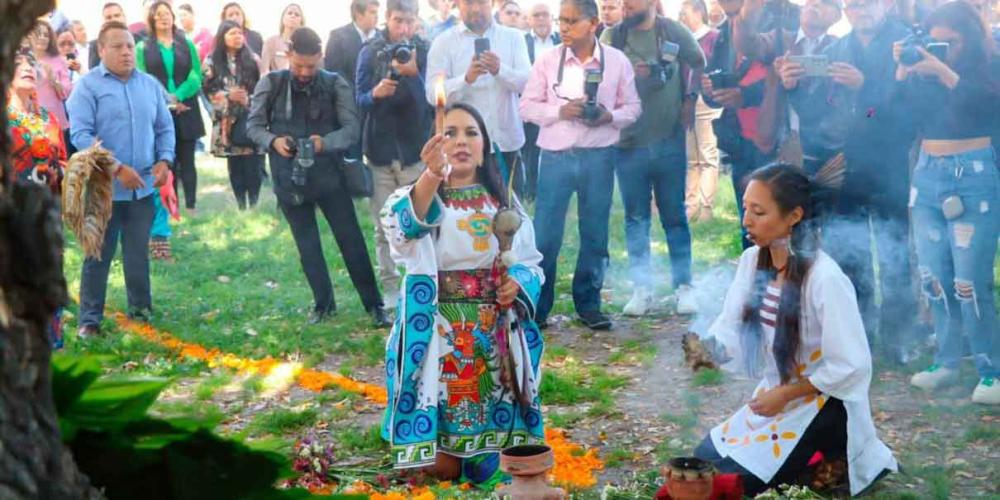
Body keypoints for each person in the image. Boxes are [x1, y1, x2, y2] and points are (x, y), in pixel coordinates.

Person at [693, 163, 897, 496]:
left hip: (824, 404)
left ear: (794, 216)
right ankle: (811, 464)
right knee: (703, 461)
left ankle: (834, 459)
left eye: (758, 212)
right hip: (775, 396)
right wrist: (709, 350)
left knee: (738, 485)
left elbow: (852, 365)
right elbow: (730, 327)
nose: (746, 220)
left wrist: (786, 394)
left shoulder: (825, 279)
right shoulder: (751, 261)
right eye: (745, 208)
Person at [380, 102, 546, 486]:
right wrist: (431, 176)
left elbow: (530, 259)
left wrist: (516, 283)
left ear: (485, 144)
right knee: (435, 467)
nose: (461, 141)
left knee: (491, 456)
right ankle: (441, 452)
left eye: (471, 132)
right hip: (440, 331)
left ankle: (486, 451)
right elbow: (403, 231)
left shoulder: (503, 201)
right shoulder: (421, 196)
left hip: (493, 329)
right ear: (433, 144)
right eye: (450, 132)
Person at [779, 0, 918, 364]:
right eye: (853, 5)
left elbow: (908, 110)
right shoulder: (837, 48)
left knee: (895, 255)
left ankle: (897, 340)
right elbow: (818, 115)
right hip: (844, 166)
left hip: (889, 164)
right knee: (849, 256)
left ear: (885, 5)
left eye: (867, 3)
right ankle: (859, 335)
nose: (861, 10)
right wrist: (792, 88)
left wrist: (865, 87)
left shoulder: (906, 43)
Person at [246, 27, 390, 327]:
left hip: (330, 176)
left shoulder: (335, 83)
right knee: (307, 245)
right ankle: (323, 305)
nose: (304, 72)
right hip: (289, 177)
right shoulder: (270, 83)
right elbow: (254, 127)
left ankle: (374, 305)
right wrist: (274, 142)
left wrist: (325, 143)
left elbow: (352, 130)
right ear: (288, 55)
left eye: (311, 66)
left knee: (351, 240)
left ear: (321, 58)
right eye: (298, 65)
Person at [898, 1, 1000, 405]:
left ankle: (990, 369)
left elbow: (989, 106)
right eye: (935, 43)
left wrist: (943, 70)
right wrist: (903, 71)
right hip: (927, 171)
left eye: (950, 43)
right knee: (933, 274)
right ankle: (947, 361)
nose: (942, 50)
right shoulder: (921, 71)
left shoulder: (990, 64)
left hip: (974, 172)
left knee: (969, 278)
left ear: (970, 40)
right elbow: (891, 117)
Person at [519, 0, 641, 330]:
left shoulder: (616, 61)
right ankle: (538, 307)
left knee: (595, 235)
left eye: (572, 21)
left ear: (593, 23)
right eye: (562, 20)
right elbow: (526, 107)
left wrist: (607, 116)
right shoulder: (547, 60)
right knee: (545, 236)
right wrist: (561, 111)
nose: (564, 28)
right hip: (556, 158)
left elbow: (633, 108)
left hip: (599, 157)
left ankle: (589, 305)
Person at [67, 21, 175, 336]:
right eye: (117, 46)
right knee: (97, 255)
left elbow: (164, 127)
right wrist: (115, 168)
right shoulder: (87, 87)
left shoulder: (149, 85)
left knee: (137, 253)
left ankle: (140, 311)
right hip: (103, 191)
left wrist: (165, 160)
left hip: (142, 190)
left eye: (129, 45)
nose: (126, 52)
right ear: (101, 50)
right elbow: (81, 135)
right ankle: (89, 320)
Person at [604, 0, 706, 317]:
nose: (625, 5)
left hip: (668, 139)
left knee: (674, 215)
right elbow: (597, 76)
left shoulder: (673, 31)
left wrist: (689, 99)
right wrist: (627, 76)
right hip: (628, 143)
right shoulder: (612, 36)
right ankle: (642, 288)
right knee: (636, 218)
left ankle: (684, 287)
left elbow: (699, 62)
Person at [356, 0, 432, 310]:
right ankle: (390, 288)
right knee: (383, 225)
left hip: (415, 151)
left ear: (416, 22)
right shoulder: (370, 51)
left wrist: (412, 75)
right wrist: (375, 94)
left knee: (421, 222)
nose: (403, 28)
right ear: (387, 18)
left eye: (409, 21)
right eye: (398, 20)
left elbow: (432, 101)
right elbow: (357, 98)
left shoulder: (424, 50)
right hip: (380, 152)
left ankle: (422, 282)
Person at [426, 0, 532, 196]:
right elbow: (433, 94)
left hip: (506, 143)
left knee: (510, 215)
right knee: (467, 216)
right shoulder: (443, 42)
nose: (475, 9)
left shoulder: (513, 38)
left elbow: (528, 84)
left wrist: (500, 70)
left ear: (492, 3)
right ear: (458, 4)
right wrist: (465, 79)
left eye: (481, 2)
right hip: (463, 149)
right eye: (468, 2)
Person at [6, 48, 68, 348]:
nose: (27, 68)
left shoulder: (49, 119)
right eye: (18, 65)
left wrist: (60, 173)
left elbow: (64, 161)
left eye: (30, 63)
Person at [701, 0, 773, 250]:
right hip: (739, 139)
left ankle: (779, 284)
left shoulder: (778, 20)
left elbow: (781, 76)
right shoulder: (721, 34)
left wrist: (744, 96)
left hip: (773, 140)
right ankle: (753, 280)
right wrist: (710, 89)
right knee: (749, 219)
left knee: (776, 220)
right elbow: (712, 81)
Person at [137, 0, 206, 230]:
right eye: (158, 15)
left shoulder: (186, 43)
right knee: (168, 160)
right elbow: (142, 76)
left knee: (188, 159)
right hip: (159, 110)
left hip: (186, 107)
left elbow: (196, 74)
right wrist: (166, 98)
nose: (164, 18)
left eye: (167, 14)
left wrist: (179, 95)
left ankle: (192, 205)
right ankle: (171, 206)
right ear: (152, 20)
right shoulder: (143, 47)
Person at [203, 20, 266, 210]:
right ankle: (240, 204)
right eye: (232, 33)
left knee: (253, 164)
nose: (237, 37)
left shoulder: (253, 59)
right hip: (227, 121)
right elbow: (206, 89)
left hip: (250, 116)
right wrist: (227, 95)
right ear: (222, 37)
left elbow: (263, 88)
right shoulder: (211, 61)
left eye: (240, 33)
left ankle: (254, 203)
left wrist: (248, 99)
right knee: (235, 164)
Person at [680, 0, 723, 223]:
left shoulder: (714, 37)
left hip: (707, 101)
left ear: (698, 12)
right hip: (687, 101)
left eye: (685, 12)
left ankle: (706, 207)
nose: (682, 17)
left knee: (707, 155)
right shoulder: (683, 39)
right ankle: (691, 204)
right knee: (691, 158)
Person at [520, 2, 560, 201]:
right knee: (531, 152)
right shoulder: (522, 42)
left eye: (545, 15)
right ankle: (531, 192)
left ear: (551, 18)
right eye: (537, 15)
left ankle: (558, 190)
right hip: (533, 105)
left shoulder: (562, 40)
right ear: (529, 20)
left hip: (558, 105)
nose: (541, 19)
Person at [27, 21, 73, 162]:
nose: (43, 38)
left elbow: (67, 91)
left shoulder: (58, 60)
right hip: (32, 125)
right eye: (39, 34)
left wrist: (54, 80)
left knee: (63, 166)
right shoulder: (23, 61)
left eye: (46, 35)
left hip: (58, 124)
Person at [325, 0, 380, 86]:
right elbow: (334, 71)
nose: (377, 16)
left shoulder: (382, 37)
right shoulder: (338, 37)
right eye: (372, 12)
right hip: (347, 94)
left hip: (379, 95)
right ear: (358, 14)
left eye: (377, 12)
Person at [262, 4, 305, 72]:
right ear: (283, 18)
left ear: (301, 22)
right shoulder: (271, 41)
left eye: (297, 14)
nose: (293, 16)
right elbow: (264, 71)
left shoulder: (305, 44)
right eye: (289, 13)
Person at [90, 3, 128, 70]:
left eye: (117, 15)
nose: (113, 19)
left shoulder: (139, 40)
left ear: (124, 17)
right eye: (108, 17)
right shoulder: (96, 46)